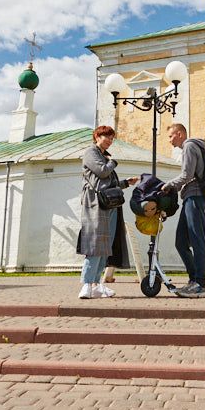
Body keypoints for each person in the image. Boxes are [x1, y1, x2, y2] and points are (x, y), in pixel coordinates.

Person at [78, 126, 137, 299]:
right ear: (97, 136)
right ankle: (86, 285)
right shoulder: (91, 152)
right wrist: (112, 161)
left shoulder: (102, 155)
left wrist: (126, 183)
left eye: (112, 138)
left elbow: (108, 185)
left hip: (109, 205)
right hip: (96, 206)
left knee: (106, 247)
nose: (110, 141)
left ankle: (96, 285)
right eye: (107, 137)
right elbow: (102, 172)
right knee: (95, 246)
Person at [161, 123, 205, 297]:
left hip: (195, 197)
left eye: (170, 136)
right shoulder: (188, 148)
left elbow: (187, 175)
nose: (169, 141)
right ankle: (193, 279)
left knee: (197, 240)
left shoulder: (189, 146)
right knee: (181, 242)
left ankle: (200, 284)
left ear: (179, 134)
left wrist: (168, 185)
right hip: (188, 197)